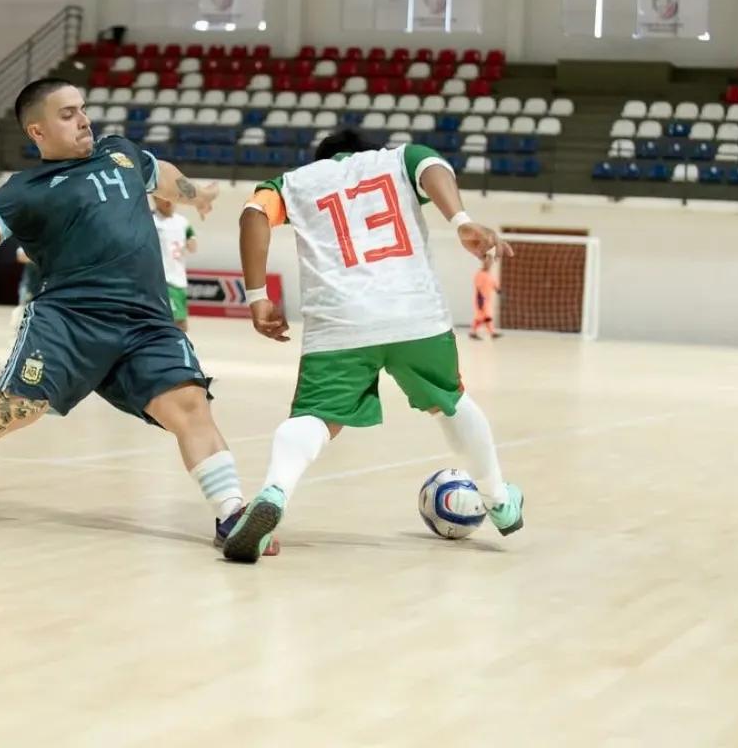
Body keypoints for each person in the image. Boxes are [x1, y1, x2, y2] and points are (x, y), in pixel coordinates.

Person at [0, 76, 277, 556]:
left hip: (146, 322)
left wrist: (193, 194)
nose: (83, 119)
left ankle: (232, 517)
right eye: (68, 114)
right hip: (68, 321)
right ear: (37, 132)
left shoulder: (119, 153)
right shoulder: (26, 190)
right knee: (11, 411)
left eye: (83, 109)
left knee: (190, 405)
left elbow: (160, 173)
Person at [220, 128, 524, 562]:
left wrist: (256, 296)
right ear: (366, 151)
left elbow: (253, 214)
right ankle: (499, 500)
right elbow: (432, 164)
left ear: (320, 157)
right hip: (414, 314)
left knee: (315, 417)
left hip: (338, 323)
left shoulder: (295, 181)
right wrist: (461, 220)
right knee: (451, 402)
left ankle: (273, 493)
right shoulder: (397, 158)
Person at [151, 196, 198, 332]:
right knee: (177, 323)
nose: (168, 200)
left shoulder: (183, 222)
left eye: (170, 196)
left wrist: (190, 242)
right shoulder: (151, 220)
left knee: (181, 324)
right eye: (163, 197)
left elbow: (193, 245)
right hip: (163, 280)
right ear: (155, 199)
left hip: (179, 280)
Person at [9, 246, 42, 330]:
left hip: (39, 283)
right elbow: (20, 257)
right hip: (28, 283)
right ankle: (17, 325)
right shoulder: (27, 244)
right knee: (23, 304)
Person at [470, 254, 501, 340]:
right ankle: (488, 333)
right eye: (487, 261)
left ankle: (488, 333)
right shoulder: (480, 274)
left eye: (490, 262)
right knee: (484, 316)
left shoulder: (489, 274)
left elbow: (493, 283)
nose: (489, 263)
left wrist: (498, 289)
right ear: (483, 262)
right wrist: (480, 300)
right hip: (481, 299)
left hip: (488, 300)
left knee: (485, 317)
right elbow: (478, 287)